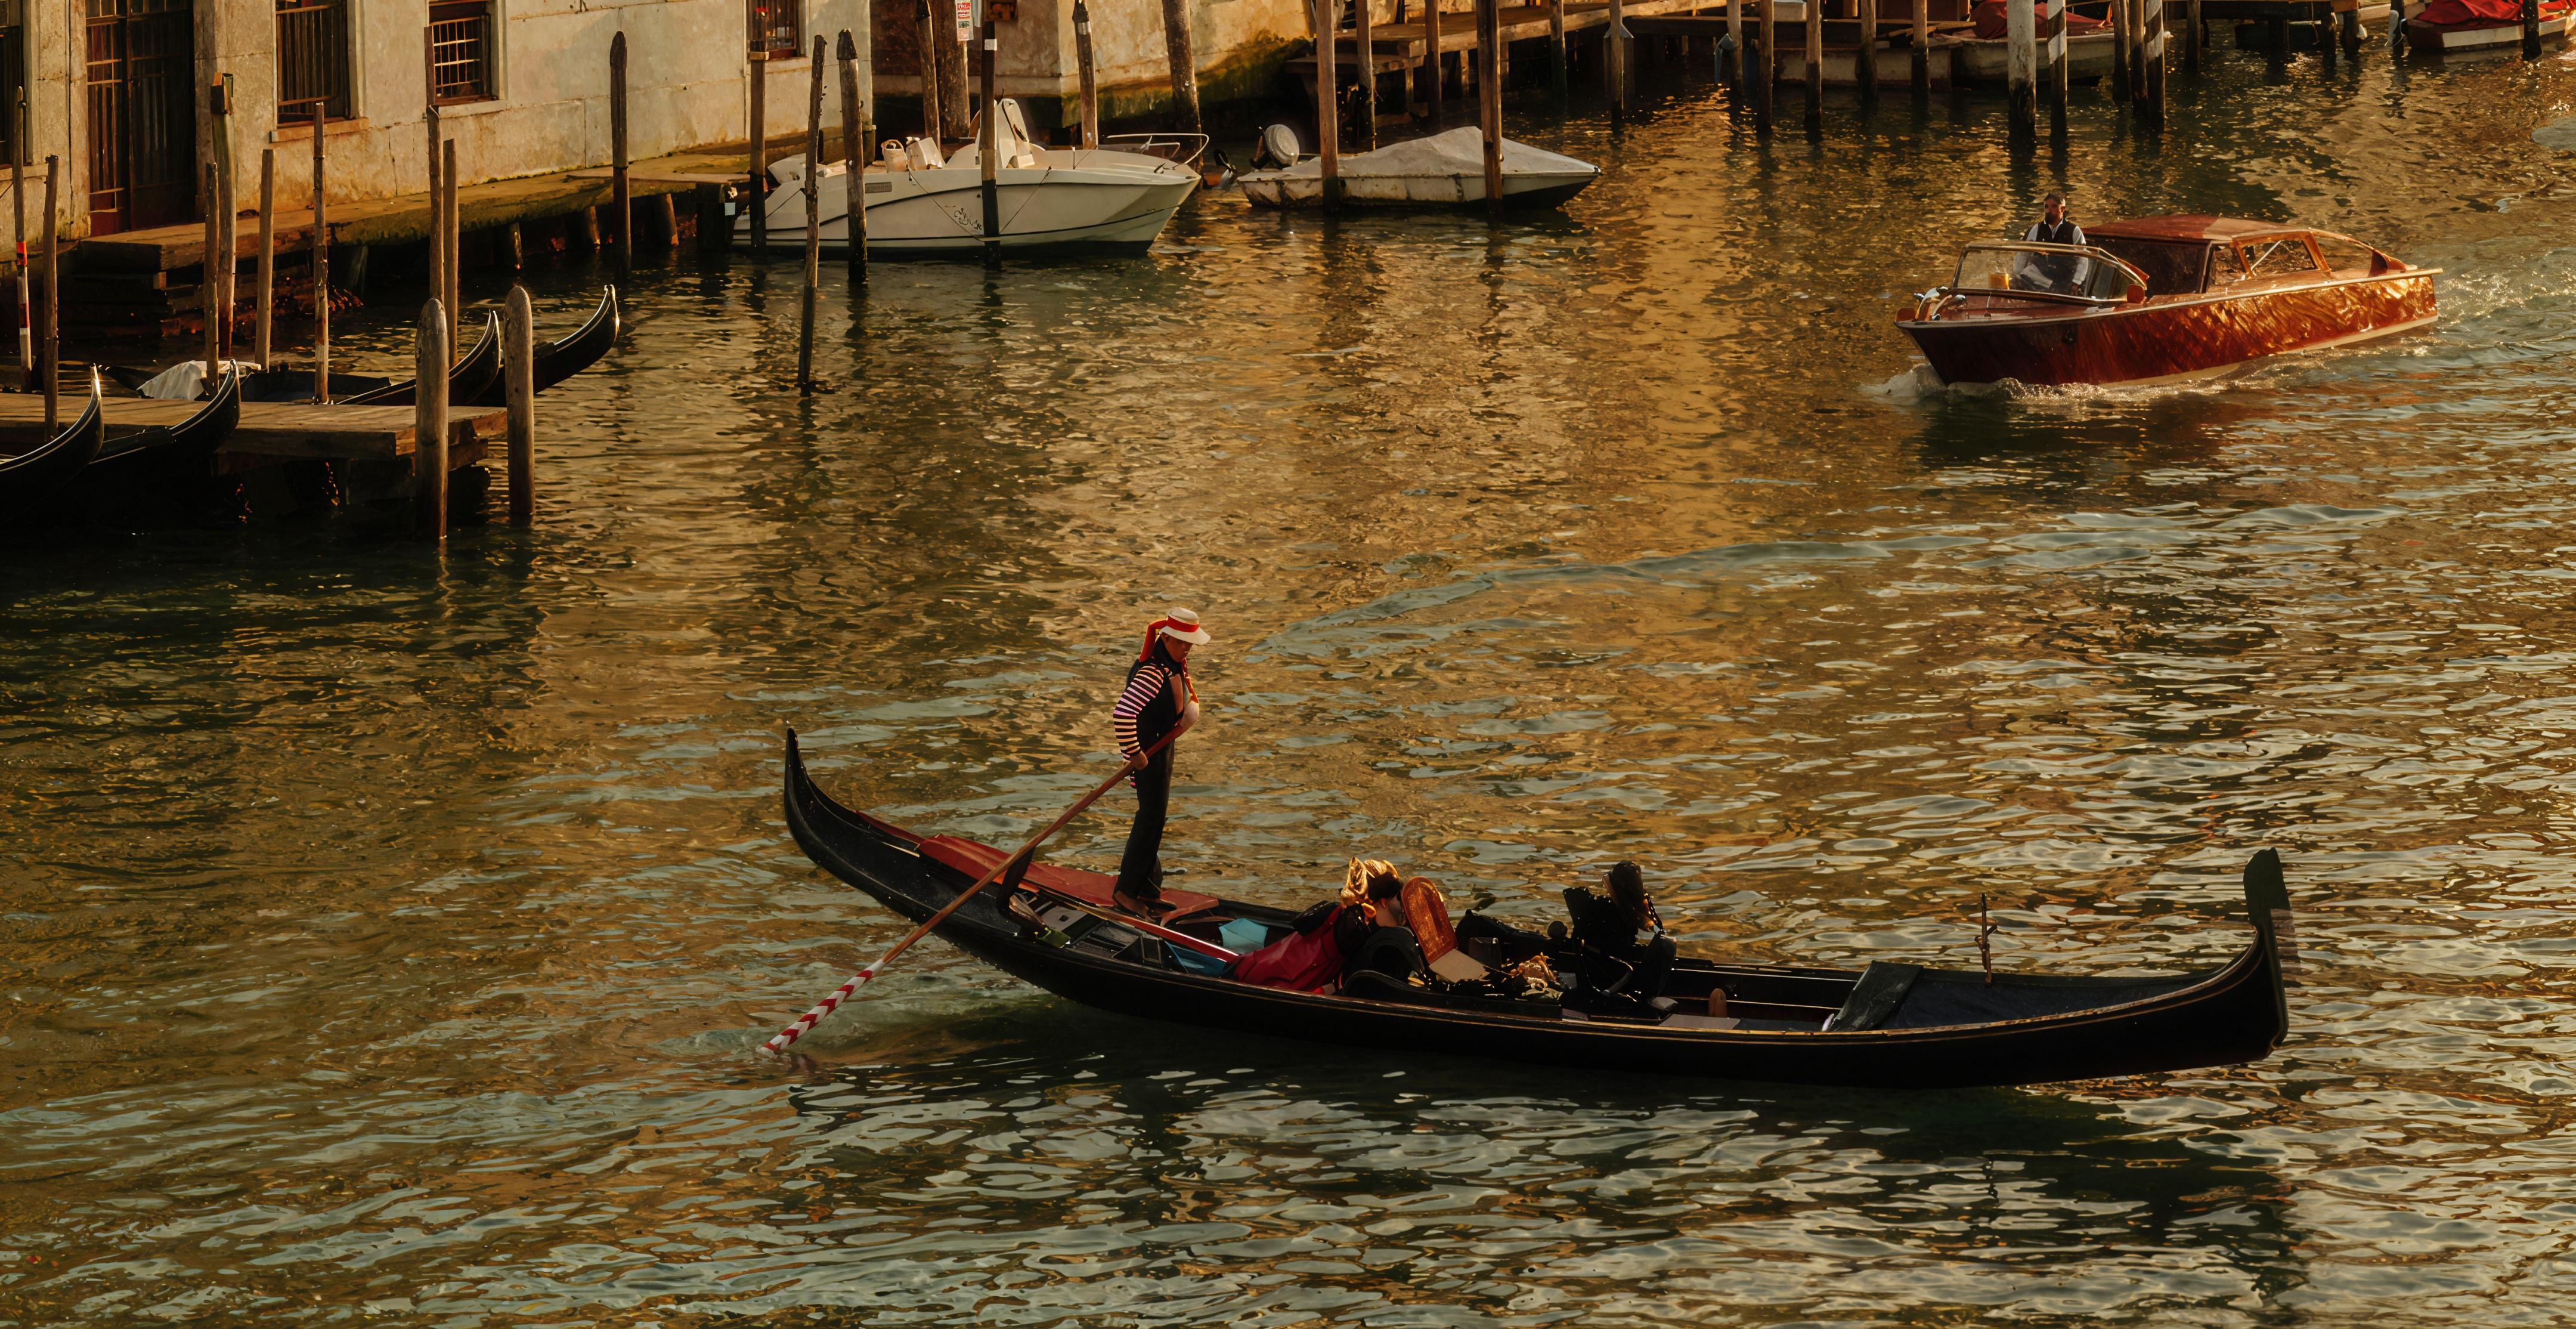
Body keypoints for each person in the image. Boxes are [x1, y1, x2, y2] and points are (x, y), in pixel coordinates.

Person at [1111, 608, 1208, 916]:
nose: (1187, 648)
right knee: (1150, 818)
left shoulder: (1174, 663)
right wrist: (1136, 754)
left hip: (1161, 747)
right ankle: (1127, 891)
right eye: (1182, 642)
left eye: (1189, 642)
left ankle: (1148, 888)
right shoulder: (1153, 672)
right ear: (1166, 639)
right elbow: (1123, 714)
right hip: (1148, 753)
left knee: (1155, 817)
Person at [1559, 861, 1677, 1014]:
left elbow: (1656, 928)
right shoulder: (1605, 911)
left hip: (1611, 970)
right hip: (1606, 973)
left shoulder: (1628, 907)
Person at [2014, 193, 2091, 295]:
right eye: (2046, 207)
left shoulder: (2074, 231)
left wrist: (2076, 282)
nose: (2049, 211)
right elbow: (2023, 253)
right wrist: (2017, 275)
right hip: (2039, 276)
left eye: (2054, 207)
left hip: (2063, 280)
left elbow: (2083, 259)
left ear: (2062, 209)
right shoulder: (2036, 229)